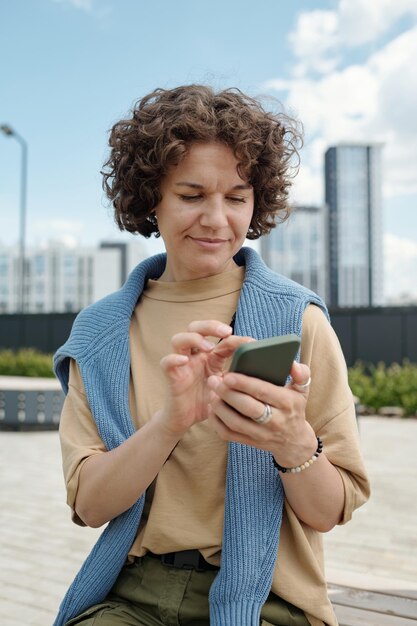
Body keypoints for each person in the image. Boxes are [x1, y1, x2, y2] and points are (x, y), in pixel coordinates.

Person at [54, 85, 370, 626]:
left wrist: (292, 440)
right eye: (192, 194)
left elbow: (329, 511)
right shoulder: (102, 332)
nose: (217, 219)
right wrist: (171, 422)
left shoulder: (300, 321)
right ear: (151, 196)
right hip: (132, 595)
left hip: (271, 598)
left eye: (237, 196)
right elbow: (90, 506)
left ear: (258, 200)